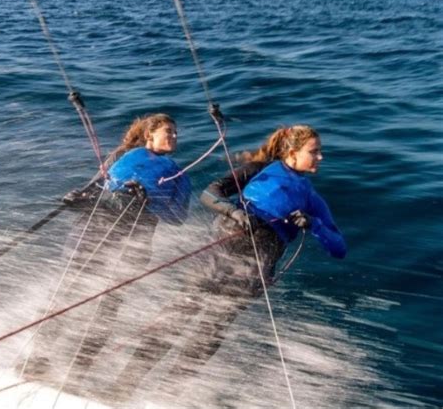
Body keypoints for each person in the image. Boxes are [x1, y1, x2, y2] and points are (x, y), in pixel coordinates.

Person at [104, 124, 346, 405]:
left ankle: (166, 394)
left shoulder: (310, 198)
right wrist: (233, 211)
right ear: (292, 152)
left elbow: (339, 247)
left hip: (253, 270)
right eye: (314, 152)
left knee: (208, 333)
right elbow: (211, 193)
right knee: (176, 318)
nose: (321, 157)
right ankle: (123, 387)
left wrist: (313, 223)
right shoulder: (259, 170)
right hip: (219, 254)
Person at [21, 113, 191, 391]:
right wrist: (77, 198)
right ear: (149, 136)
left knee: (106, 308)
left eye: (175, 132)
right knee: (67, 294)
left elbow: (178, 216)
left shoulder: (178, 174)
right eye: (167, 131)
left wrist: (148, 201)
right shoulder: (121, 157)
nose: (173, 136)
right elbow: (96, 189)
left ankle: (76, 373)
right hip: (94, 229)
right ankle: (35, 359)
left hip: (134, 240)